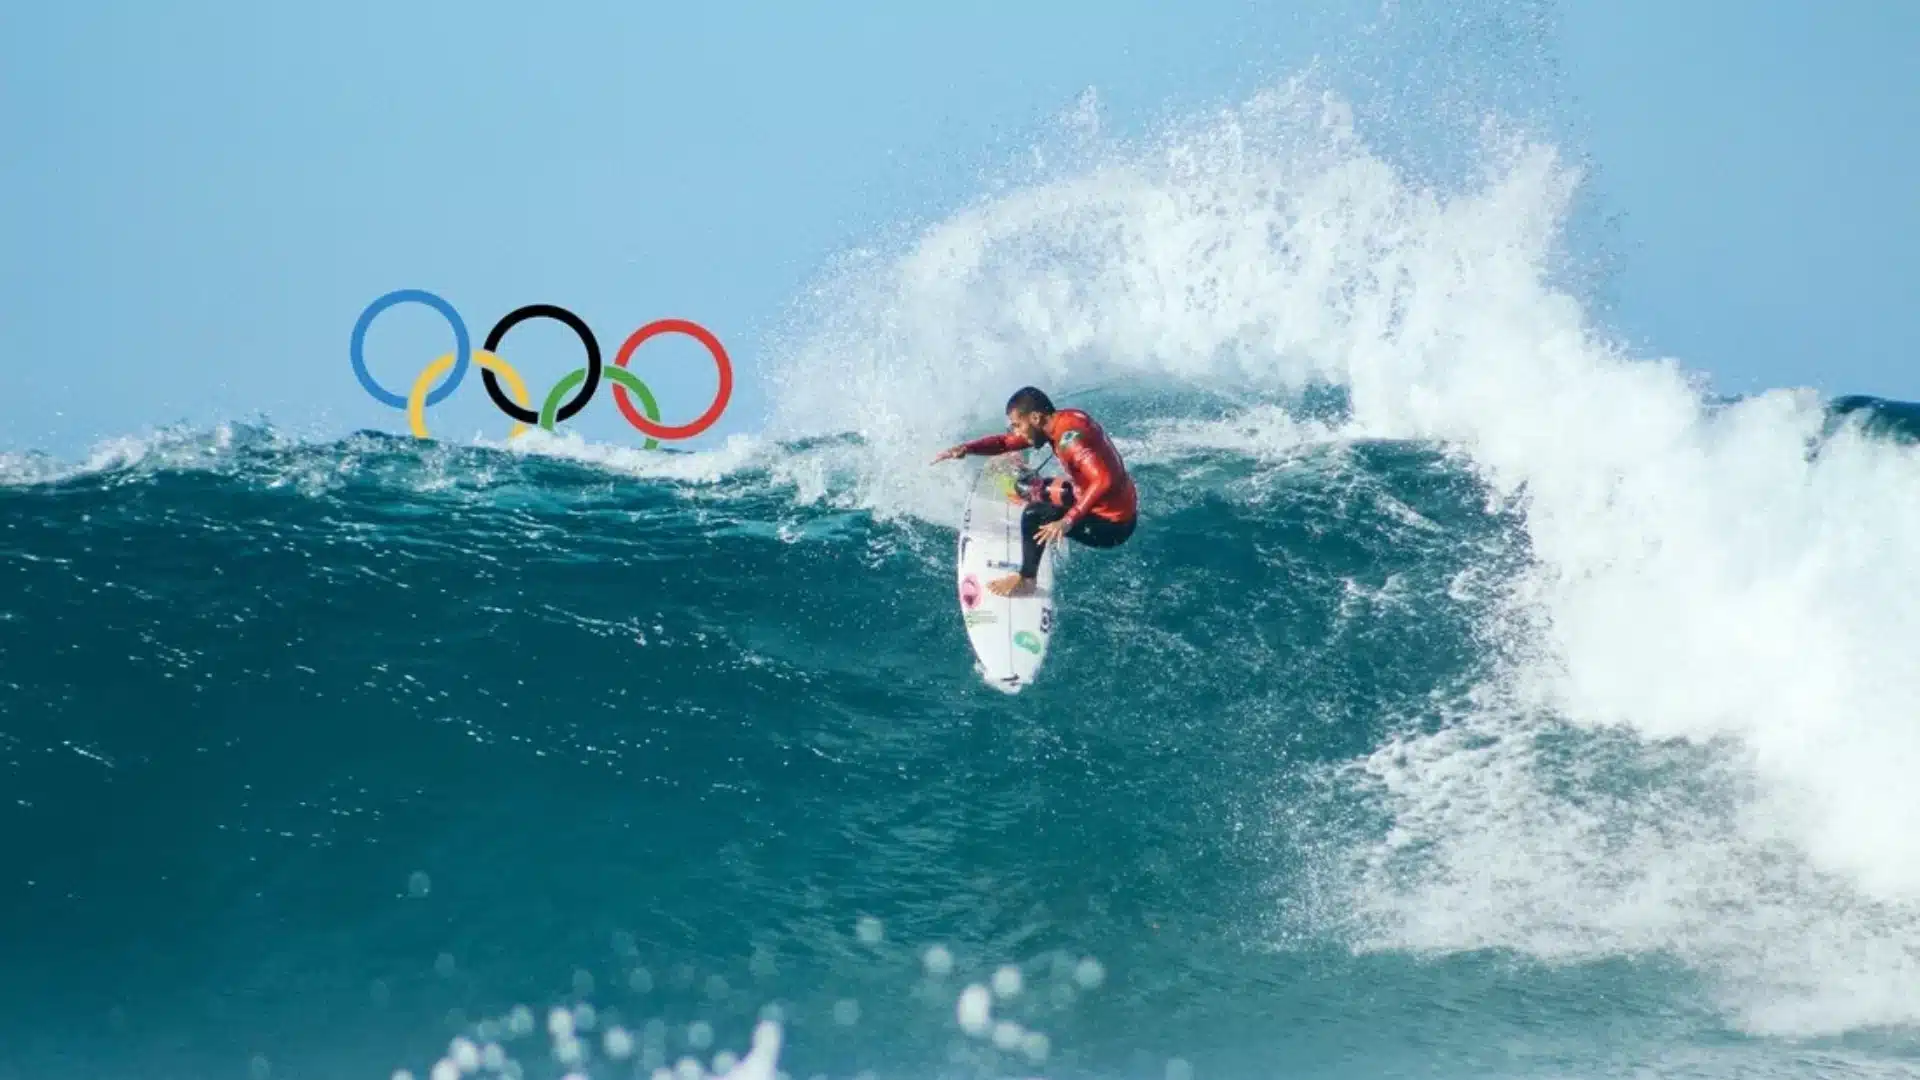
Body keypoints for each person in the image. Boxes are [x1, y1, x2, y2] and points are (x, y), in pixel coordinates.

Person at [932, 387, 1137, 597]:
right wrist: (966, 449)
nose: (1016, 432)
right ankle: (1044, 511)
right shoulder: (1061, 422)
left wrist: (1067, 520)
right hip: (1103, 498)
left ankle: (1027, 580)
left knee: (1034, 515)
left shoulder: (1070, 441)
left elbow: (1104, 480)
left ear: (1035, 417)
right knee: (1028, 487)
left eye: (1018, 426)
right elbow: (1005, 442)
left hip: (1112, 526)